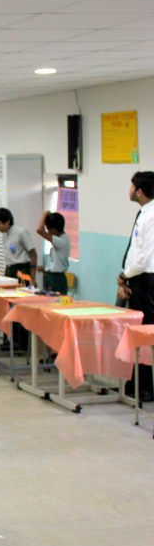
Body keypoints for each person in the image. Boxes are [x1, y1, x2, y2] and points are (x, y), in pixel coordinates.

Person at [118, 170, 154, 402]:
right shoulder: (144, 213)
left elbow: (143, 256)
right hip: (138, 279)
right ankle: (136, 383)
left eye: (132, 187)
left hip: (147, 280)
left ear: (139, 191)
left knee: (145, 333)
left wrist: (125, 275)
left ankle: (146, 386)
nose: (129, 190)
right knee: (135, 330)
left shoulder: (151, 216)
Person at [0, 208, 37, 281]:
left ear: (7, 222)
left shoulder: (21, 232)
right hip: (9, 269)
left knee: (22, 288)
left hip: (22, 269)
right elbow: (9, 256)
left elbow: (33, 254)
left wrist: (33, 277)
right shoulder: (4, 234)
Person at [35, 211, 70, 295]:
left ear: (54, 229)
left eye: (48, 229)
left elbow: (39, 230)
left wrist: (46, 213)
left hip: (56, 279)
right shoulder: (59, 238)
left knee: (54, 301)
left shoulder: (61, 241)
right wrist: (46, 268)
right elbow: (56, 262)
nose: (47, 232)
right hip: (51, 276)